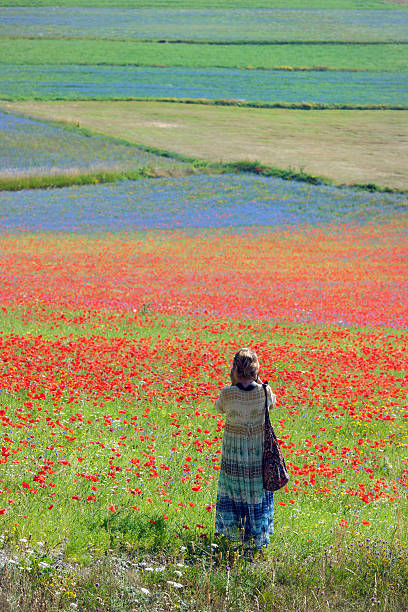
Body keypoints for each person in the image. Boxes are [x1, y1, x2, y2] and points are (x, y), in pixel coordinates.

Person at [214, 348, 276, 552]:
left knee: (234, 489)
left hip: (233, 452)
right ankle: (256, 538)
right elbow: (272, 405)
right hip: (256, 452)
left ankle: (233, 536)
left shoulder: (228, 393)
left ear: (234, 370)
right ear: (256, 370)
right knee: (255, 491)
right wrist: (259, 382)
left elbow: (219, 408)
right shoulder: (264, 391)